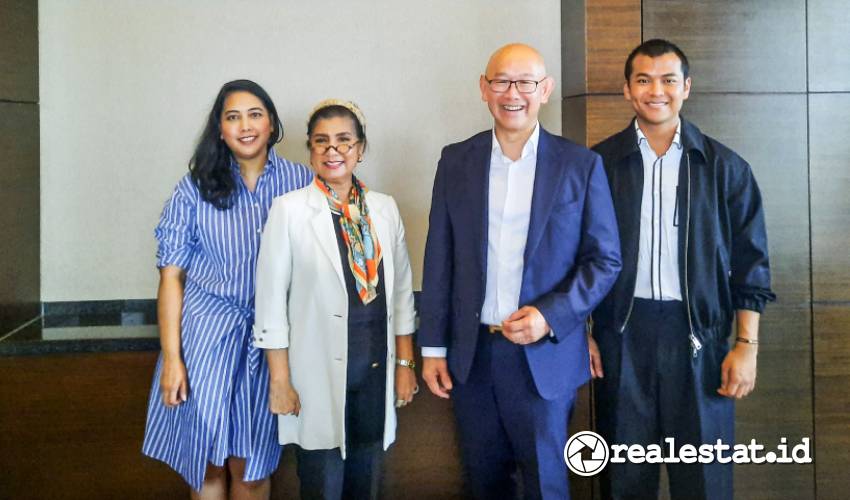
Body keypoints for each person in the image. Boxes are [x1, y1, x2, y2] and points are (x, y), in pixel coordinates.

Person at [418, 43, 622, 499]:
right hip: (472, 357)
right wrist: (432, 348)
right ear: (484, 89)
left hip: (544, 357)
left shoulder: (580, 165)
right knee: (483, 483)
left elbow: (605, 260)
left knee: (545, 485)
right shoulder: (456, 161)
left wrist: (550, 315)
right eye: (502, 82)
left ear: (544, 90)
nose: (514, 93)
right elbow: (439, 260)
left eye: (526, 83)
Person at [590, 39, 776, 500]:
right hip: (622, 335)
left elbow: (752, 265)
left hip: (701, 337)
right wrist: (583, 332)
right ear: (628, 90)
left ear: (687, 87)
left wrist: (746, 344)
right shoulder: (598, 165)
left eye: (669, 79)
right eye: (644, 80)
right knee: (625, 478)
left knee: (704, 481)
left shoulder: (725, 168)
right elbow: (578, 258)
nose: (658, 90)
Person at [142, 79, 312, 498]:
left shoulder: (301, 182)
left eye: (255, 114)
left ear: (271, 123)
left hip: (270, 345)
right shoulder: (194, 188)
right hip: (204, 343)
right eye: (232, 117)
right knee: (208, 464)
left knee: (253, 467)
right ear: (220, 129)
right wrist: (172, 360)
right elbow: (171, 278)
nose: (245, 125)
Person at [253, 99, 417, 500]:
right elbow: (270, 303)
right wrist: (280, 381)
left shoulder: (384, 209)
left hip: (375, 369)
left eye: (344, 141)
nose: (332, 151)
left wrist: (405, 365)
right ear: (310, 150)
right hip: (315, 374)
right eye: (321, 142)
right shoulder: (289, 211)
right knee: (322, 485)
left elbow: (400, 296)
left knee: (367, 481)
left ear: (360, 149)